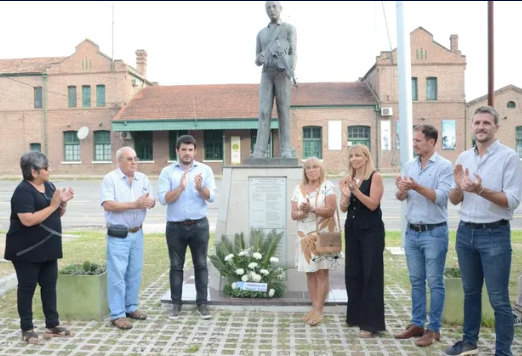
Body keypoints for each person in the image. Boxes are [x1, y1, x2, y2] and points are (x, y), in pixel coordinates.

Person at [445, 106, 522, 356]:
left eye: (486, 123)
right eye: (477, 122)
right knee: (470, 293)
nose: (481, 127)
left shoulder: (509, 158)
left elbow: (511, 200)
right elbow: (455, 199)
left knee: (499, 299)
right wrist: (459, 187)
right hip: (466, 233)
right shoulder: (464, 157)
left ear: (496, 127)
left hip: (495, 235)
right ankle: (469, 343)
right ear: (472, 126)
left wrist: (480, 190)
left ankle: (503, 351)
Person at [393, 125, 453, 347]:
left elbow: (441, 197)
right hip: (413, 232)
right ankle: (417, 324)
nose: (415, 144)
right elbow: (401, 196)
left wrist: (415, 186)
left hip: (434, 232)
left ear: (431, 142)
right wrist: (402, 188)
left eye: (418, 140)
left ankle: (434, 329)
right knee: (416, 281)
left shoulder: (445, 166)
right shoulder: (410, 165)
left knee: (434, 282)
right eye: (414, 140)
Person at [4, 151, 74, 344]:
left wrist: (62, 204)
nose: (49, 170)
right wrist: (53, 206)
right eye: (46, 167)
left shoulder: (49, 186)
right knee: (27, 289)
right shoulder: (23, 192)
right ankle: (27, 328)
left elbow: (54, 215)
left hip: (48, 247)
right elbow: (28, 220)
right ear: (34, 172)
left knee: (49, 287)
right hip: (26, 250)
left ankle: (52, 325)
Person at [158, 135, 217, 320]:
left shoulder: (205, 170)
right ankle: (176, 304)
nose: (187, 153)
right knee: (176, 266)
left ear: (195, 151)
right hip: (175, 227)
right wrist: (181, 188)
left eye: (190, 150)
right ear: (177, 151)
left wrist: (200, 188)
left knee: (201, 265)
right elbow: (163, 199)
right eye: (183, 149)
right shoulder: (167, 172)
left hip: (199, 225)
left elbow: (212, 197)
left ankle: (202, 304)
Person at [100, 147, 155, 330]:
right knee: (118, 275)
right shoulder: (110, 179)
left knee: (134, 273)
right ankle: (117, 314)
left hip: (137, 233)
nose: (133, 162)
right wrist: (136, 204)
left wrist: (150, 202)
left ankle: (131, 307)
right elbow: (108, 204)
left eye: (135, 158)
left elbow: (150, 200)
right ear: (119, 161)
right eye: (129, 159)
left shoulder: (143, 179)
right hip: (119, 234)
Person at [340, 144, 386, 338]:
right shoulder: (349, 179)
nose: (354, 159)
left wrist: (356, 191)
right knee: (353, 274)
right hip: (352, 230)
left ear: (366, 157)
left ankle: (371, 324)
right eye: (351, 156)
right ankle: (356, 317)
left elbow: (373, 204)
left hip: (371, 232)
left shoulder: (375, 177)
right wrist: (346, 194)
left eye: (358, 155)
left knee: (371, 276)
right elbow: (343, 208)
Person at [290, 157, 340, 326]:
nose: (312, 170)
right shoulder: (298, 188)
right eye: (308, 168)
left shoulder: (327, 186)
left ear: (321, 170)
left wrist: (311, 208)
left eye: (315, 167)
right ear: (304, 171)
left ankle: (319, 310)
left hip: (326, 233)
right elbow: (293, 215)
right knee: (310, 272)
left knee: (322, 272)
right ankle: (314, 307)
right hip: (305, 236)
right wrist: (303, 212)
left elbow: (331, 210)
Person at [250, 1, 297, 159]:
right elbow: (257, 60)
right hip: (267, 73)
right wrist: (259, 58)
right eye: (268, 7)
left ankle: (286, 149)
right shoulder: (261, 33)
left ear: (280, 8)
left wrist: (291, 68)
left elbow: (293, 52)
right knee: (264, 111)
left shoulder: (289, 28)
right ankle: (260, 150)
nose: (271, 10)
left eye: (274, 6)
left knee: (283, 110)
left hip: (283, 72)